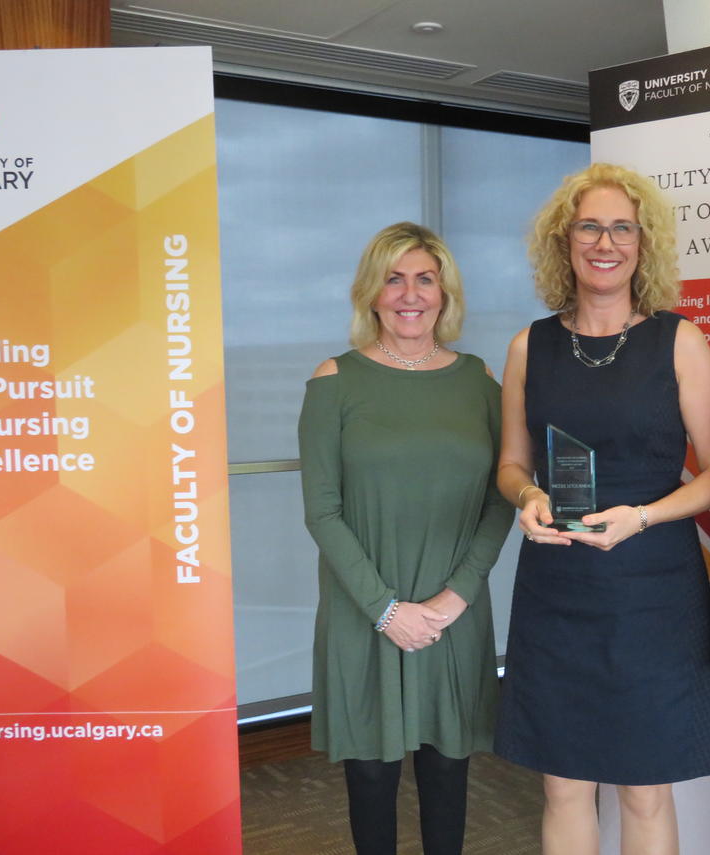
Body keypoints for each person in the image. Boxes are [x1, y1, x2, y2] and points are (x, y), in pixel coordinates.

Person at [494, 163, 710, 855]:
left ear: (644, 242)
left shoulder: (680, 341)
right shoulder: (528, 346)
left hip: (654, 594)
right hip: (557, 590)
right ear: (563, 241)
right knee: (564, 784)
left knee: (644, 785)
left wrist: (645, 515)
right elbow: (510, 464)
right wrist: (530, 494)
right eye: (590, 226)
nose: (606, 242)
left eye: (621, 227)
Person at [297, 222, 513, 855]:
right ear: (371, 291)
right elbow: (322, 512)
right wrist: (386, 610)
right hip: (364, 614)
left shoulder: (479, 381)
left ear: (444, 294)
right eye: (394, 278)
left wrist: (454, 599)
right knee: (370, 775)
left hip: (454, 611)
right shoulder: (334, 379)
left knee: (448, 770)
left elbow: (502, 497)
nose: (410, 294)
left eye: (425, 279)